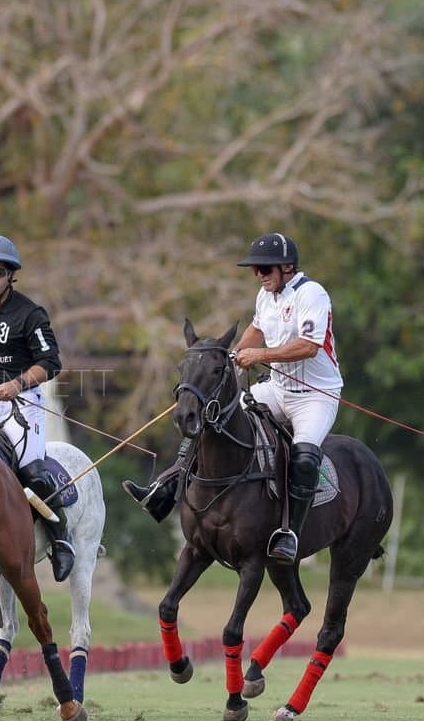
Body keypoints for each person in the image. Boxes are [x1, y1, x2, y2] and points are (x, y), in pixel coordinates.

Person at [124, 232, 342, 564]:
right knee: (216, 418)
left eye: (265, 269)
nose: (259, 275)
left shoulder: (311, 294)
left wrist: (259, 355)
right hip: (278, 388)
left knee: (305, 456)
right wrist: (230, 359)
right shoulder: (266, 295)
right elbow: (255, 329)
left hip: (315, 396)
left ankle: (289, 534)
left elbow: (308, 346)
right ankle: (166, 487)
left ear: (287, 266)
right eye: (255, 269)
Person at [0, 234, 75, 582]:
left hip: (19, 404)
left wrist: (18, 383)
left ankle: (59, 537)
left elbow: (51, 362)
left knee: (30, 469)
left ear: (10, 275)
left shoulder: (29, 314)